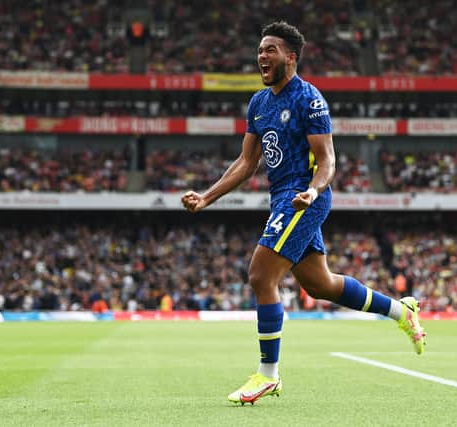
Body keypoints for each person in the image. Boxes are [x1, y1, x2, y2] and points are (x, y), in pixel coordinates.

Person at [181, 21, 426, 406]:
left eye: (270, 50)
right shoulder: (259, 103)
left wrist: (313, 190)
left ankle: (268, 375)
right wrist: (208, 197)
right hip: (281, 198)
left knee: (260, 274)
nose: (262, 56)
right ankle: (401, 311)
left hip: (304, 197)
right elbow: (247, 163)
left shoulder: (308, 99)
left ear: (290, 57)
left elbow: (328, 160)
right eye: (260, 50)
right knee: (321, 285)